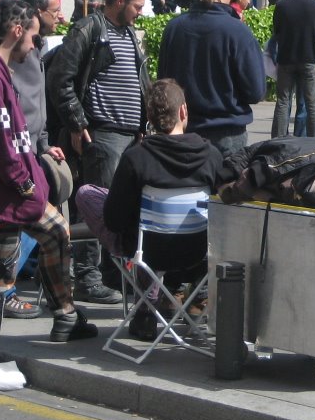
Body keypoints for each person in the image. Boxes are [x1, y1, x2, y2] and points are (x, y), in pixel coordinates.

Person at [0, 0, 97, 386]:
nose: (37, 44)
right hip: (6, 196)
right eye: (34, 35)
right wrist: (22, 182)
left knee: (56, 233)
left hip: (17, 192)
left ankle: (66, 316)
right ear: (17, 30)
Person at [74, 79, 224, 341]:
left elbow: (114, 220)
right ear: (183, 111)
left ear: (150, 118)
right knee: (148, 225)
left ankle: (146, 308)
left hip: (149, 254)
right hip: (197, 254)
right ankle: (194, 300)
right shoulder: (211, 156)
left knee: (90, 195)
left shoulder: (136, 157)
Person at [46, 0, 149, 304]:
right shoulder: (90, 29)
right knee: (96, 207)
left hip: (130, 137)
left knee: (122, 209)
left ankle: (112, 276)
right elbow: (60, 79)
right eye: (137, 6)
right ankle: (88, 277)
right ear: (119, 1)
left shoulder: (129, 35)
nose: (140, 13)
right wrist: (76, 122)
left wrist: (144, 123)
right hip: (102, 136)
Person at [158, 0, 266, 157]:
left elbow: (163, 83)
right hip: (227, 135)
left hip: (182, 131)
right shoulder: (238, 32)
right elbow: (256, 91)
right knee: (226, 188)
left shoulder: (173, 28)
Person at [7, 0, 70, 320]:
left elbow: (37, 103)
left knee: (37, 225)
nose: (60, 16)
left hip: (32, 149)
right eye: (54, 11)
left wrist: (44, 143)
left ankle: (51, 298)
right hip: (17, 153)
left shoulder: (38, 47)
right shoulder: (18, 51)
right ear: (33, 13)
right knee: (33, 224)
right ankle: (6, 290)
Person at [270, 0, 315, 139]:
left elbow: (276, 34)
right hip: (308, 59)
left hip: (286, 60)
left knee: (283, 102)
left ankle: (277, 140)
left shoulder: (281, 6)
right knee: (312, 104)